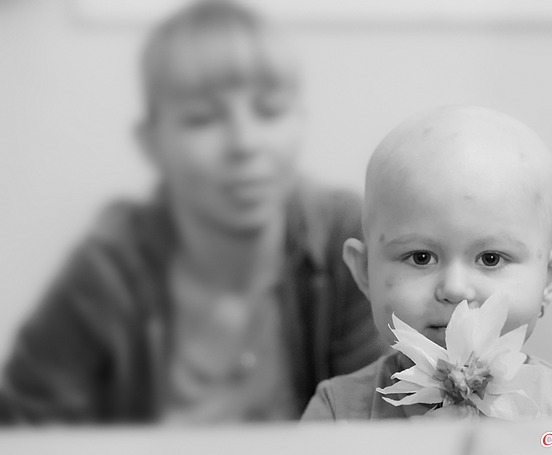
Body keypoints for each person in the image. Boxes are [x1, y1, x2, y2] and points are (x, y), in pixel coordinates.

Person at [0, 0, 383, 424]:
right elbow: (22, 427)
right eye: (202, 119)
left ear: (301, 120)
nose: (245, 143)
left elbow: (382, 420)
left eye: (270, 111)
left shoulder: (346, 242)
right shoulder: (106, 271)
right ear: (151, 143)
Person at [301, 105, 552, 420]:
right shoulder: (336, 412)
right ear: (364, 272)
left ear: (549, 278)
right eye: (421, 257)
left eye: (491, 259)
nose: (455, 289)